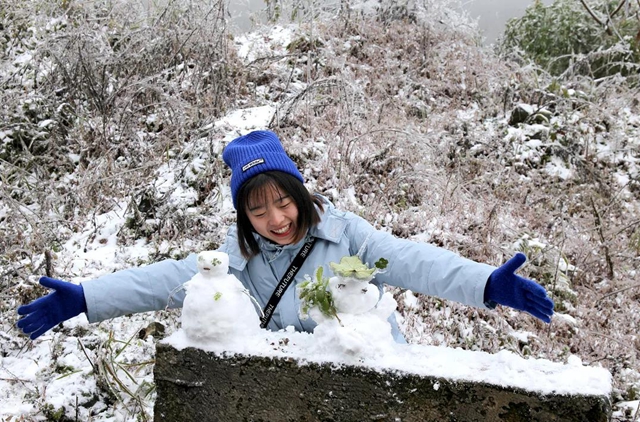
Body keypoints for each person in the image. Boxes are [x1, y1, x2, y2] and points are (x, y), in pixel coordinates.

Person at [16, 130, 554, 342]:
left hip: (366, 368)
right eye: (258, 210)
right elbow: (162, 282)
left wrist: (486, 285)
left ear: (299, 194)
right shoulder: (232, 260)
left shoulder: (347, 236)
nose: (276, 219)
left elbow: (413, 260)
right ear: (243, 218)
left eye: (283, 201)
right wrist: (87, 297)